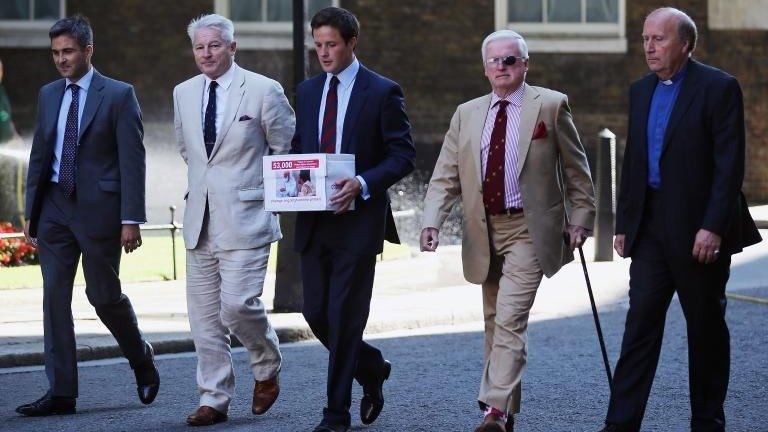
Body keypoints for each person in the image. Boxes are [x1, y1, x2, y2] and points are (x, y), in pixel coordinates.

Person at [421, 30, 595, 432]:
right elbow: (445, 175)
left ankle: (494, 411)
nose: (502, 66)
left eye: (510, 60)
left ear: (525, 64)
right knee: (493, 318)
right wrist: (432, 220)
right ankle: (503, 412)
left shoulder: (550, 106)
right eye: (495, 60)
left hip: (530, 230)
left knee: (510, 318)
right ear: (485, 68)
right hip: (484, 230)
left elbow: (577, 172)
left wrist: (580, 218)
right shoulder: (466, 113)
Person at [599, 8, 761, 432]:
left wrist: (713, 226)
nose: (649, 46)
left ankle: (707, 423)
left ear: (686, 45)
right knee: (639, 328)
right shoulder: (640, 90)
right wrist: (624, 223)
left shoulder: (719, 87)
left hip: (698, 229)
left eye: (660, 38)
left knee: (705, 330)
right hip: (650, 229)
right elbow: (634, 160)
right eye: (645, 38)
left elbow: (729, 165)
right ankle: (620, 425)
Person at [19, 14, 159, 416]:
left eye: (68, 52)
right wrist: (32, 211)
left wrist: (131, 218)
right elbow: (40, 155)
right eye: (55, 53)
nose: (61, 60)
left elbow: (133, 161)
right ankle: (62, 392)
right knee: (53, 298)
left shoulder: (118, 95)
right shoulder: (48, 94)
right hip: (54, 211)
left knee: (103, 296)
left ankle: (141, 357)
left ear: (87, 50)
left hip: (99, 213)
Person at [291, 7, 415, 432]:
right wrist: (284, 178)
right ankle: (371, 365)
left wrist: (362, 183)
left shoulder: (382, 91)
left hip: (358, 221)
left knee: (345, 316)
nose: (324, 53)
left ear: (352, 43)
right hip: (314, 220)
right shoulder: (306, 92)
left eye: (332, 45)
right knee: (316, 313)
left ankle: (335, 413)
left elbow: (403, 156)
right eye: (318, 45)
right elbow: (299, 149)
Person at [173, 14, 295, 427]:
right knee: (205, 320)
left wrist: (259, 195)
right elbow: (189, 152)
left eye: (214, 46)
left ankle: (266, 365)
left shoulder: (263, 89)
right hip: (199, 220)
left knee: (238, 307)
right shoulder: (183, 93)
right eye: (199, 47)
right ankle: (214, 398)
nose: (206, 54)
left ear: (232, 47)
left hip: (248, 216)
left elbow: (283, 150)